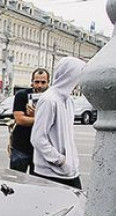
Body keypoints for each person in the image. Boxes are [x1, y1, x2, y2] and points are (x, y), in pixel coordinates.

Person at [30, 57, 87, 189]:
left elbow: (67, 136)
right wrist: (60, 160)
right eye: (79, 74)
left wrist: (71, 161)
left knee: (77, 205)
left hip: (69, 171)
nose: (80, 80)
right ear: (70, 75)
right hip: (51, 173)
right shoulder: (49, 100)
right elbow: (38, 137)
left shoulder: (68, 101)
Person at [9, 68, 50, 173]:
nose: (40, 85)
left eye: (43, 82)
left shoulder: (51, 98)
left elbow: (54, 121)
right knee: (16, 178)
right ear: (31, 82)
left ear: (48, 83)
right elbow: (20, 120)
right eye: (36, 82)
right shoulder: (22, 95)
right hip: (21, 145)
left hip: (40, 148)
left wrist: (34, 116)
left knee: (37, 182)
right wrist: (41, 118)